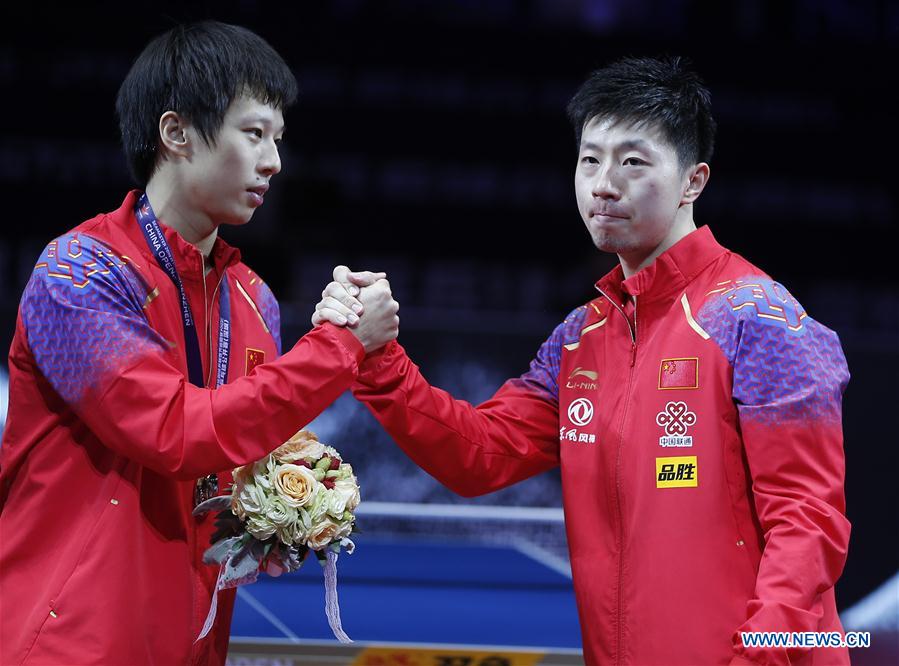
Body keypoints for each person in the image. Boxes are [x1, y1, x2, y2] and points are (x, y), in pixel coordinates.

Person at [316, 56, 851, 666]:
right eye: (590, 159)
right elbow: (477, 456)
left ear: (693, 181)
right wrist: (376, 356)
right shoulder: (581, 339)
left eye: (633, 161)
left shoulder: (760, 320)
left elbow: (808, 525)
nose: (603, 183)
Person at [0, 21, 398, 665]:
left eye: (278, 139)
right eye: (253, 133)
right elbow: (172, 434)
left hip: (193, 643)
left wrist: (294, 498)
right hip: (69, 643)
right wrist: (337, 349)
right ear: (177, 133)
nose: (274, 161)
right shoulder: (78, 273)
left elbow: (237, 447)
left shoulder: (254, 298)